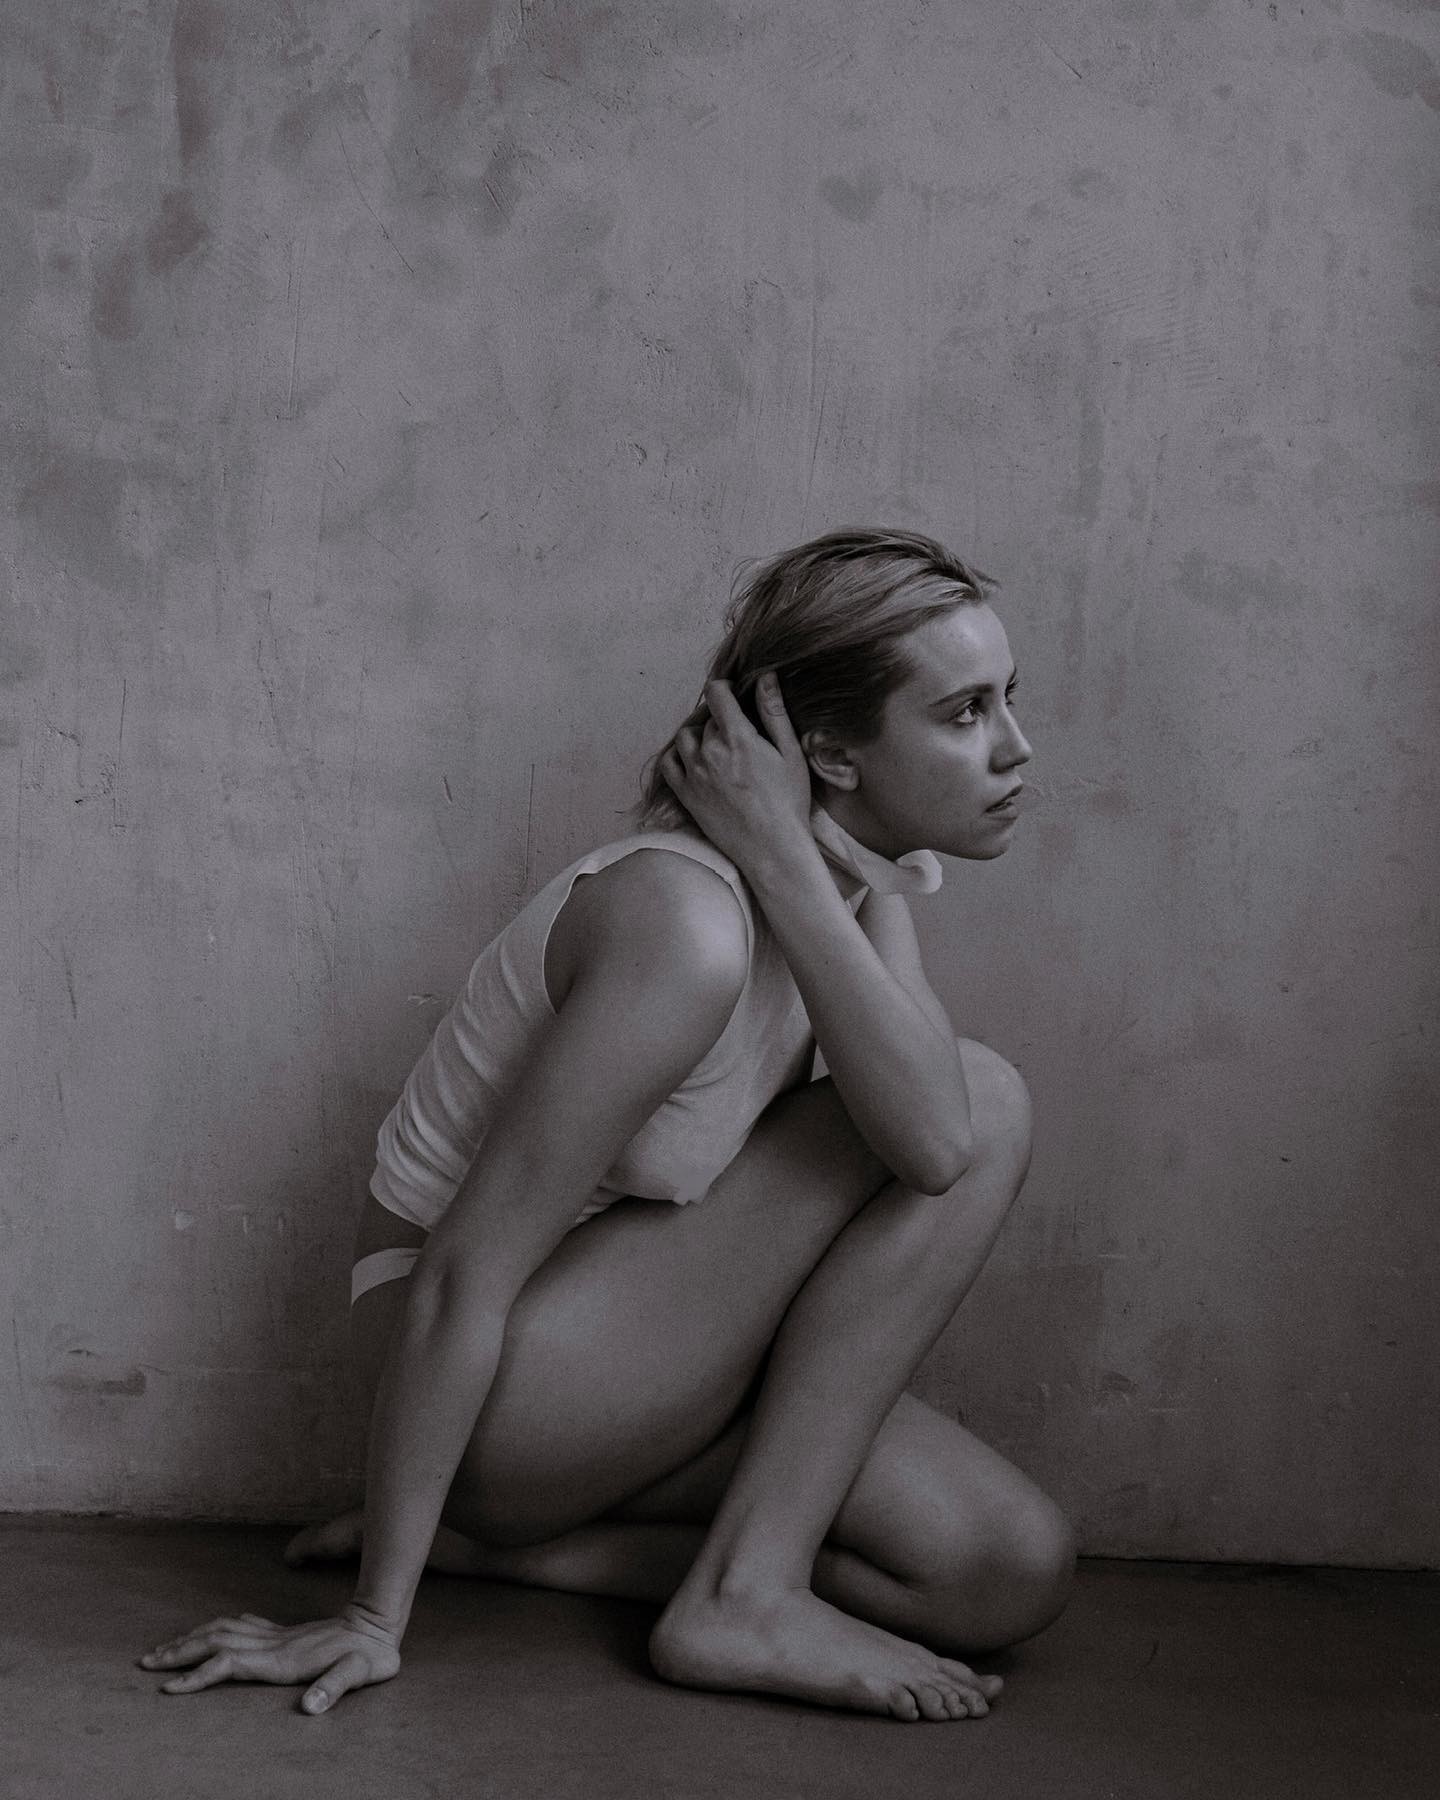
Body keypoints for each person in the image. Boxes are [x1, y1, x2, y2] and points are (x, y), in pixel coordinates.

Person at [139, 526, 1074, 1724]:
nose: (1015, 746)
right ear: (832, 754)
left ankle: (550, 1563)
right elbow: (465, 1272)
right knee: (983, 1096)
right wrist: (373, 1618)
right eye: (964, 713)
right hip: (496, 1389)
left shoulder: (846, 895)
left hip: (643, 1363)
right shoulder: (686, 926)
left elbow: (925, 1142)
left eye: (1008, 699)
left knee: (1000, 1568)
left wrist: (795, 860)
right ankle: (741, 1594)